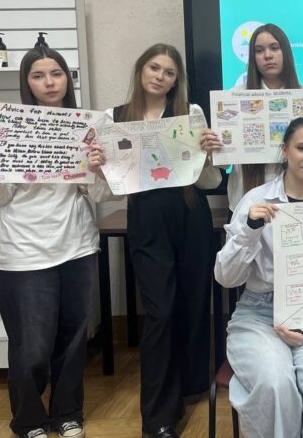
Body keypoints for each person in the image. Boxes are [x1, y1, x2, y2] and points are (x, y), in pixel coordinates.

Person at [0, 48, 116, 438]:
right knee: (31, 347)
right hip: (25, 251)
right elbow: (1, 196)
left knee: (73, 339)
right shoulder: (7, 125)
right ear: (26, 82)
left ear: (68, 78)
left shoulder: (88, 127)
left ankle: (67, 413)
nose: (49, 82)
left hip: (77, 246)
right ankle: (28, 420)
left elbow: (99, 195)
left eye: (56, 73)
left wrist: (99, 168)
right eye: (38, 75)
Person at [107, 44, 222, 438]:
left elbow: (210, 182)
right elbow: (109, 187)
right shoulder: (115, 118)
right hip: (147, 221)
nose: (160, 76)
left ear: (176, 80)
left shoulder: (191, 114)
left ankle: (190, 386)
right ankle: (157, 417)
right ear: (141, 70)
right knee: (159, 313)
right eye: (154, 68)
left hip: (190, 216)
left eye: (169, 72)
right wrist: (99, 164)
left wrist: (208, 156)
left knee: (193, 304)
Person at [215, 117, 303, 438]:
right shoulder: (255, 200)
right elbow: (226, 277)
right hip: (259, 313)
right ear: (285, 150)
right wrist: (250, 230)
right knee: (275, 383)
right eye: (301, 148)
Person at [226, 23, 303, 212]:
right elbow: (224, 159)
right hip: (247, 204)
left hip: (300, 202)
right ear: (253, 57)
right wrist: (216, 148)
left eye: (274, 48)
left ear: (285, 52)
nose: (267, 55)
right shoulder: (235, 97)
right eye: (259, 50)